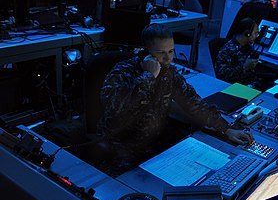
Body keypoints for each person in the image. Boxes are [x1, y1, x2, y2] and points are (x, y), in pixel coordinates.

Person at [97, 23, 252, 176]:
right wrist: (149, 76)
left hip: (153, 145)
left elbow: (193, 103)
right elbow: (117, 110)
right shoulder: (122, 72)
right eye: (161, 52)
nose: (167, 58)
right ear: (146, 52)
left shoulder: (168, 73)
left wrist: (226, 128)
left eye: (171, 51)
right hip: (121, 147)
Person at [215, 18, 260, 86]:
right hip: (235, 86)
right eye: (255, 33)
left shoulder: (247, 46)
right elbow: (222, 75)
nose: (257, 35)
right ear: (247, 34)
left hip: (250, 83)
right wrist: (244, 67)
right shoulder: (228, 50)